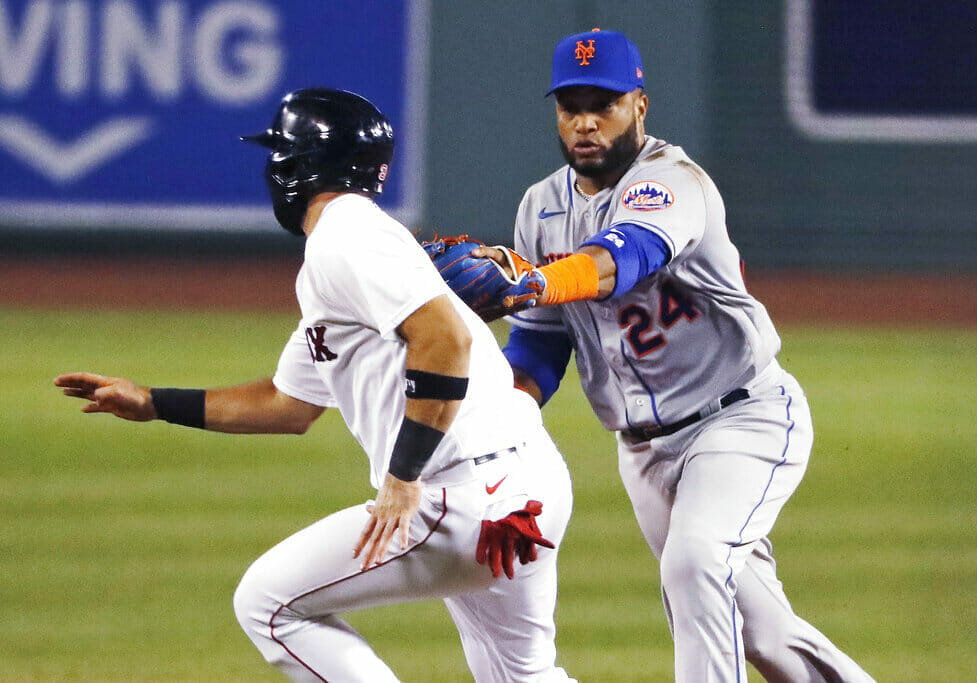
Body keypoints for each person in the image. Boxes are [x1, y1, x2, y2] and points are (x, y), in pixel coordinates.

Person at [54, 88, 575, 683]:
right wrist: (153, 403)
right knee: (524, 677)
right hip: (527, 484)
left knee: (267, 605)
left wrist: (403, 480)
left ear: (300, 166)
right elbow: (288, 403)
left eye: (280, 155)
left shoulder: (343, 236)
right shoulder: (359, 243)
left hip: (458, 493)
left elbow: (446, 341)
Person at [431, 30, 875, 682]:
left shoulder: (671, 181)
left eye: (603, 103)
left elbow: (622, 258)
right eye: (570, 105)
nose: (585, 121)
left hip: (740, 420)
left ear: (640, 105)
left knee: (695, 563)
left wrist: (532, 278)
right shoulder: (541, 206)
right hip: (643, 451)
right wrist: (508, 420)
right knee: (766, 634)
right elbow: (542, 339)